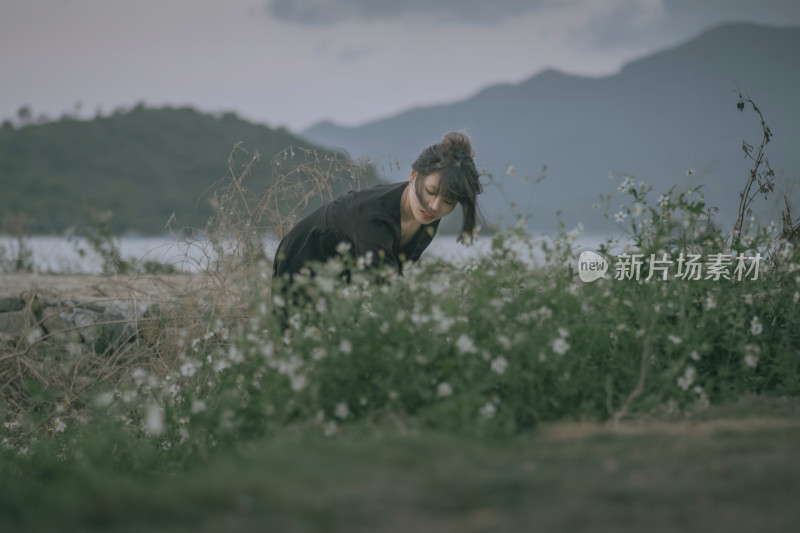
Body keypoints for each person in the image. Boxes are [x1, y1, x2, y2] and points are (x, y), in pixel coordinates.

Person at [272, 131, 482, 296]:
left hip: (346, 271)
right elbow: (387, 289)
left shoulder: (425, 214)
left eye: (448, 201)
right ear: (413, 175)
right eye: (430, 192)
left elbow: (391, 275)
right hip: (305, 258)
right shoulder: (374, 218)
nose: (435, 206)